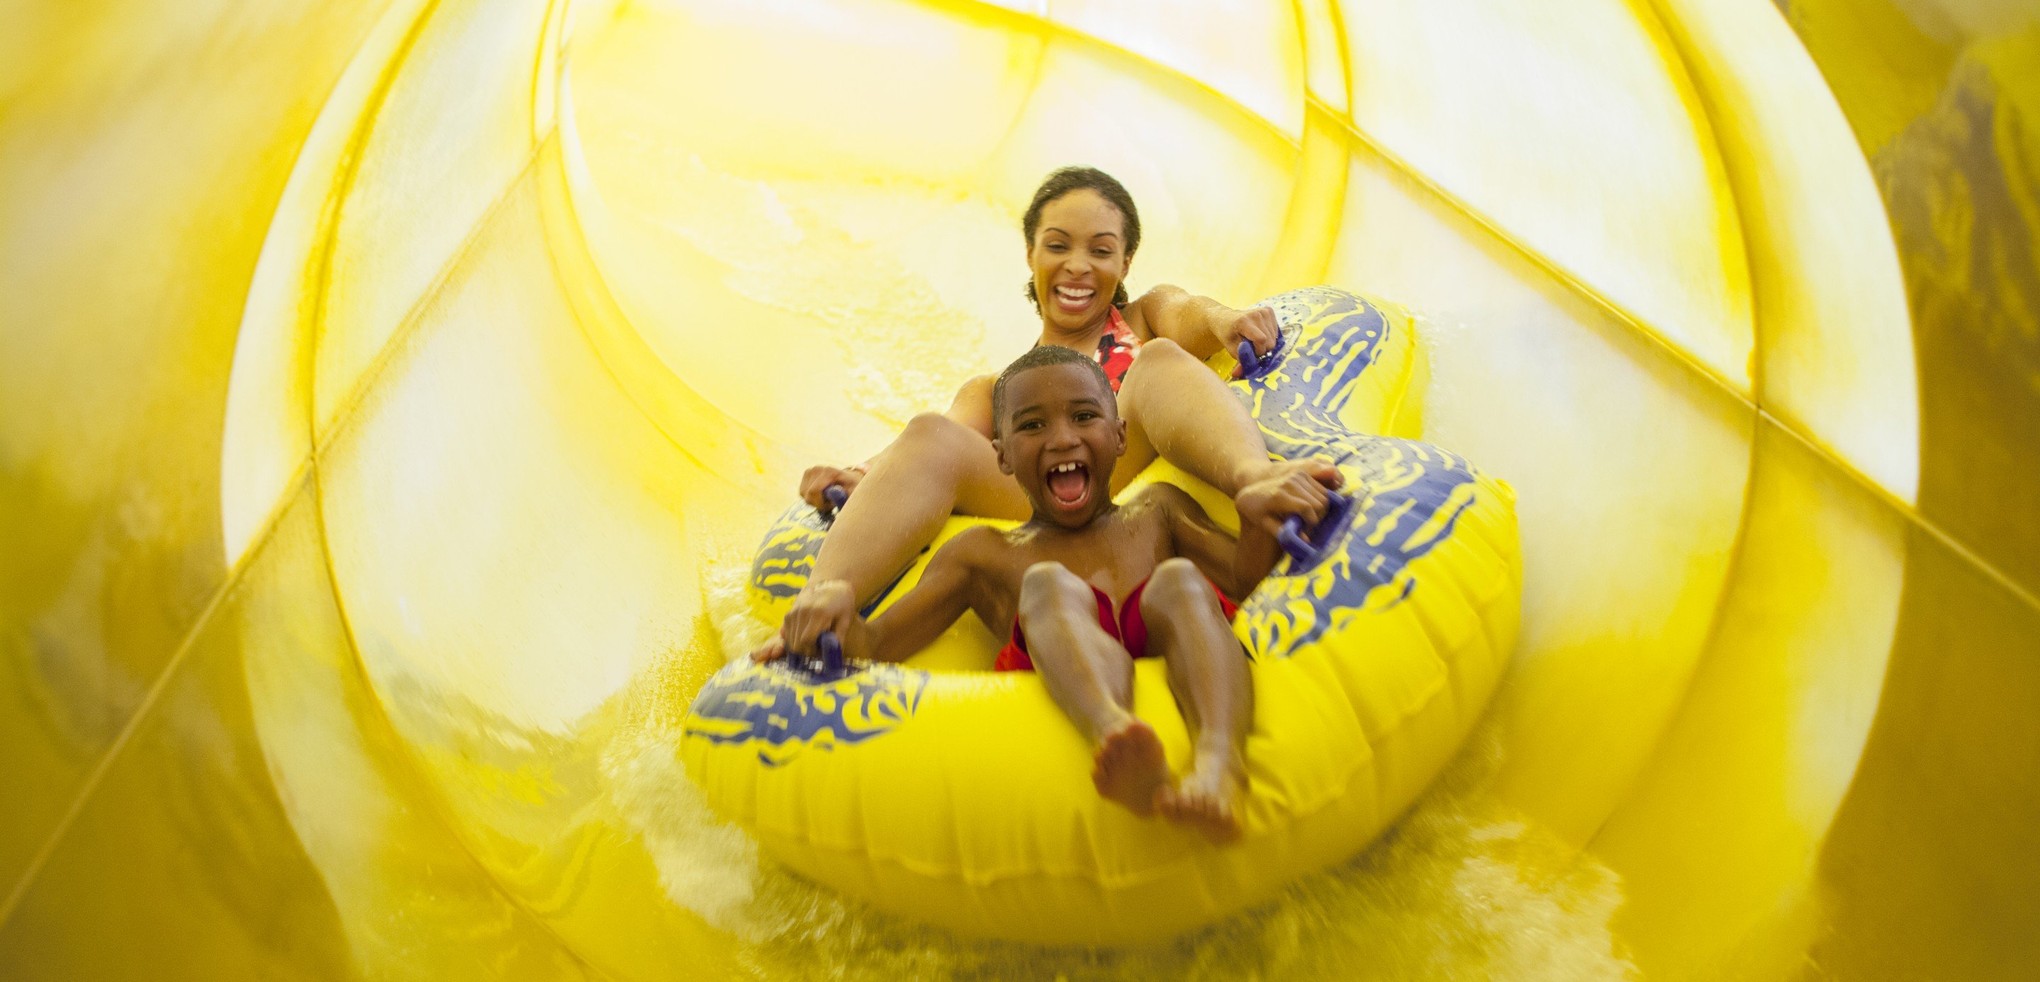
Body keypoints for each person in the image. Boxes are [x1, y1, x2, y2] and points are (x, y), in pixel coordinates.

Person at [755, 346, 1332, 841]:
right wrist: (838, 614)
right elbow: (879, 645)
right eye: (1031, 426)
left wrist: (1257, 522)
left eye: (1084, 417)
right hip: (1056, 656)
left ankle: (1217, 764)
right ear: (1000, 455)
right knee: (1048, 585)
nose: (1061, 438)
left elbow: (1245, 586)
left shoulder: (1157, 512)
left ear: (1120, 435)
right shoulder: (986, 553)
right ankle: (1114, 733)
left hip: (1163, 632)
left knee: (1180, 583)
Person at [795, 166, 1340, 612]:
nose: (1077, 267)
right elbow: (933, 447)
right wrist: (861, 475)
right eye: (1058, 246)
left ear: (1124, 263)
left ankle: (1256, 478)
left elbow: (1190, 312)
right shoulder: (1000, 390)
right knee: (931, 430)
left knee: (1156, 361)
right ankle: (819, 609)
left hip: (1130, 463)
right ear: (1031, 254)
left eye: (1101, 251)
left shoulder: (1143, 319)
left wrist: (1228, 319)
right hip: (1048, 502)